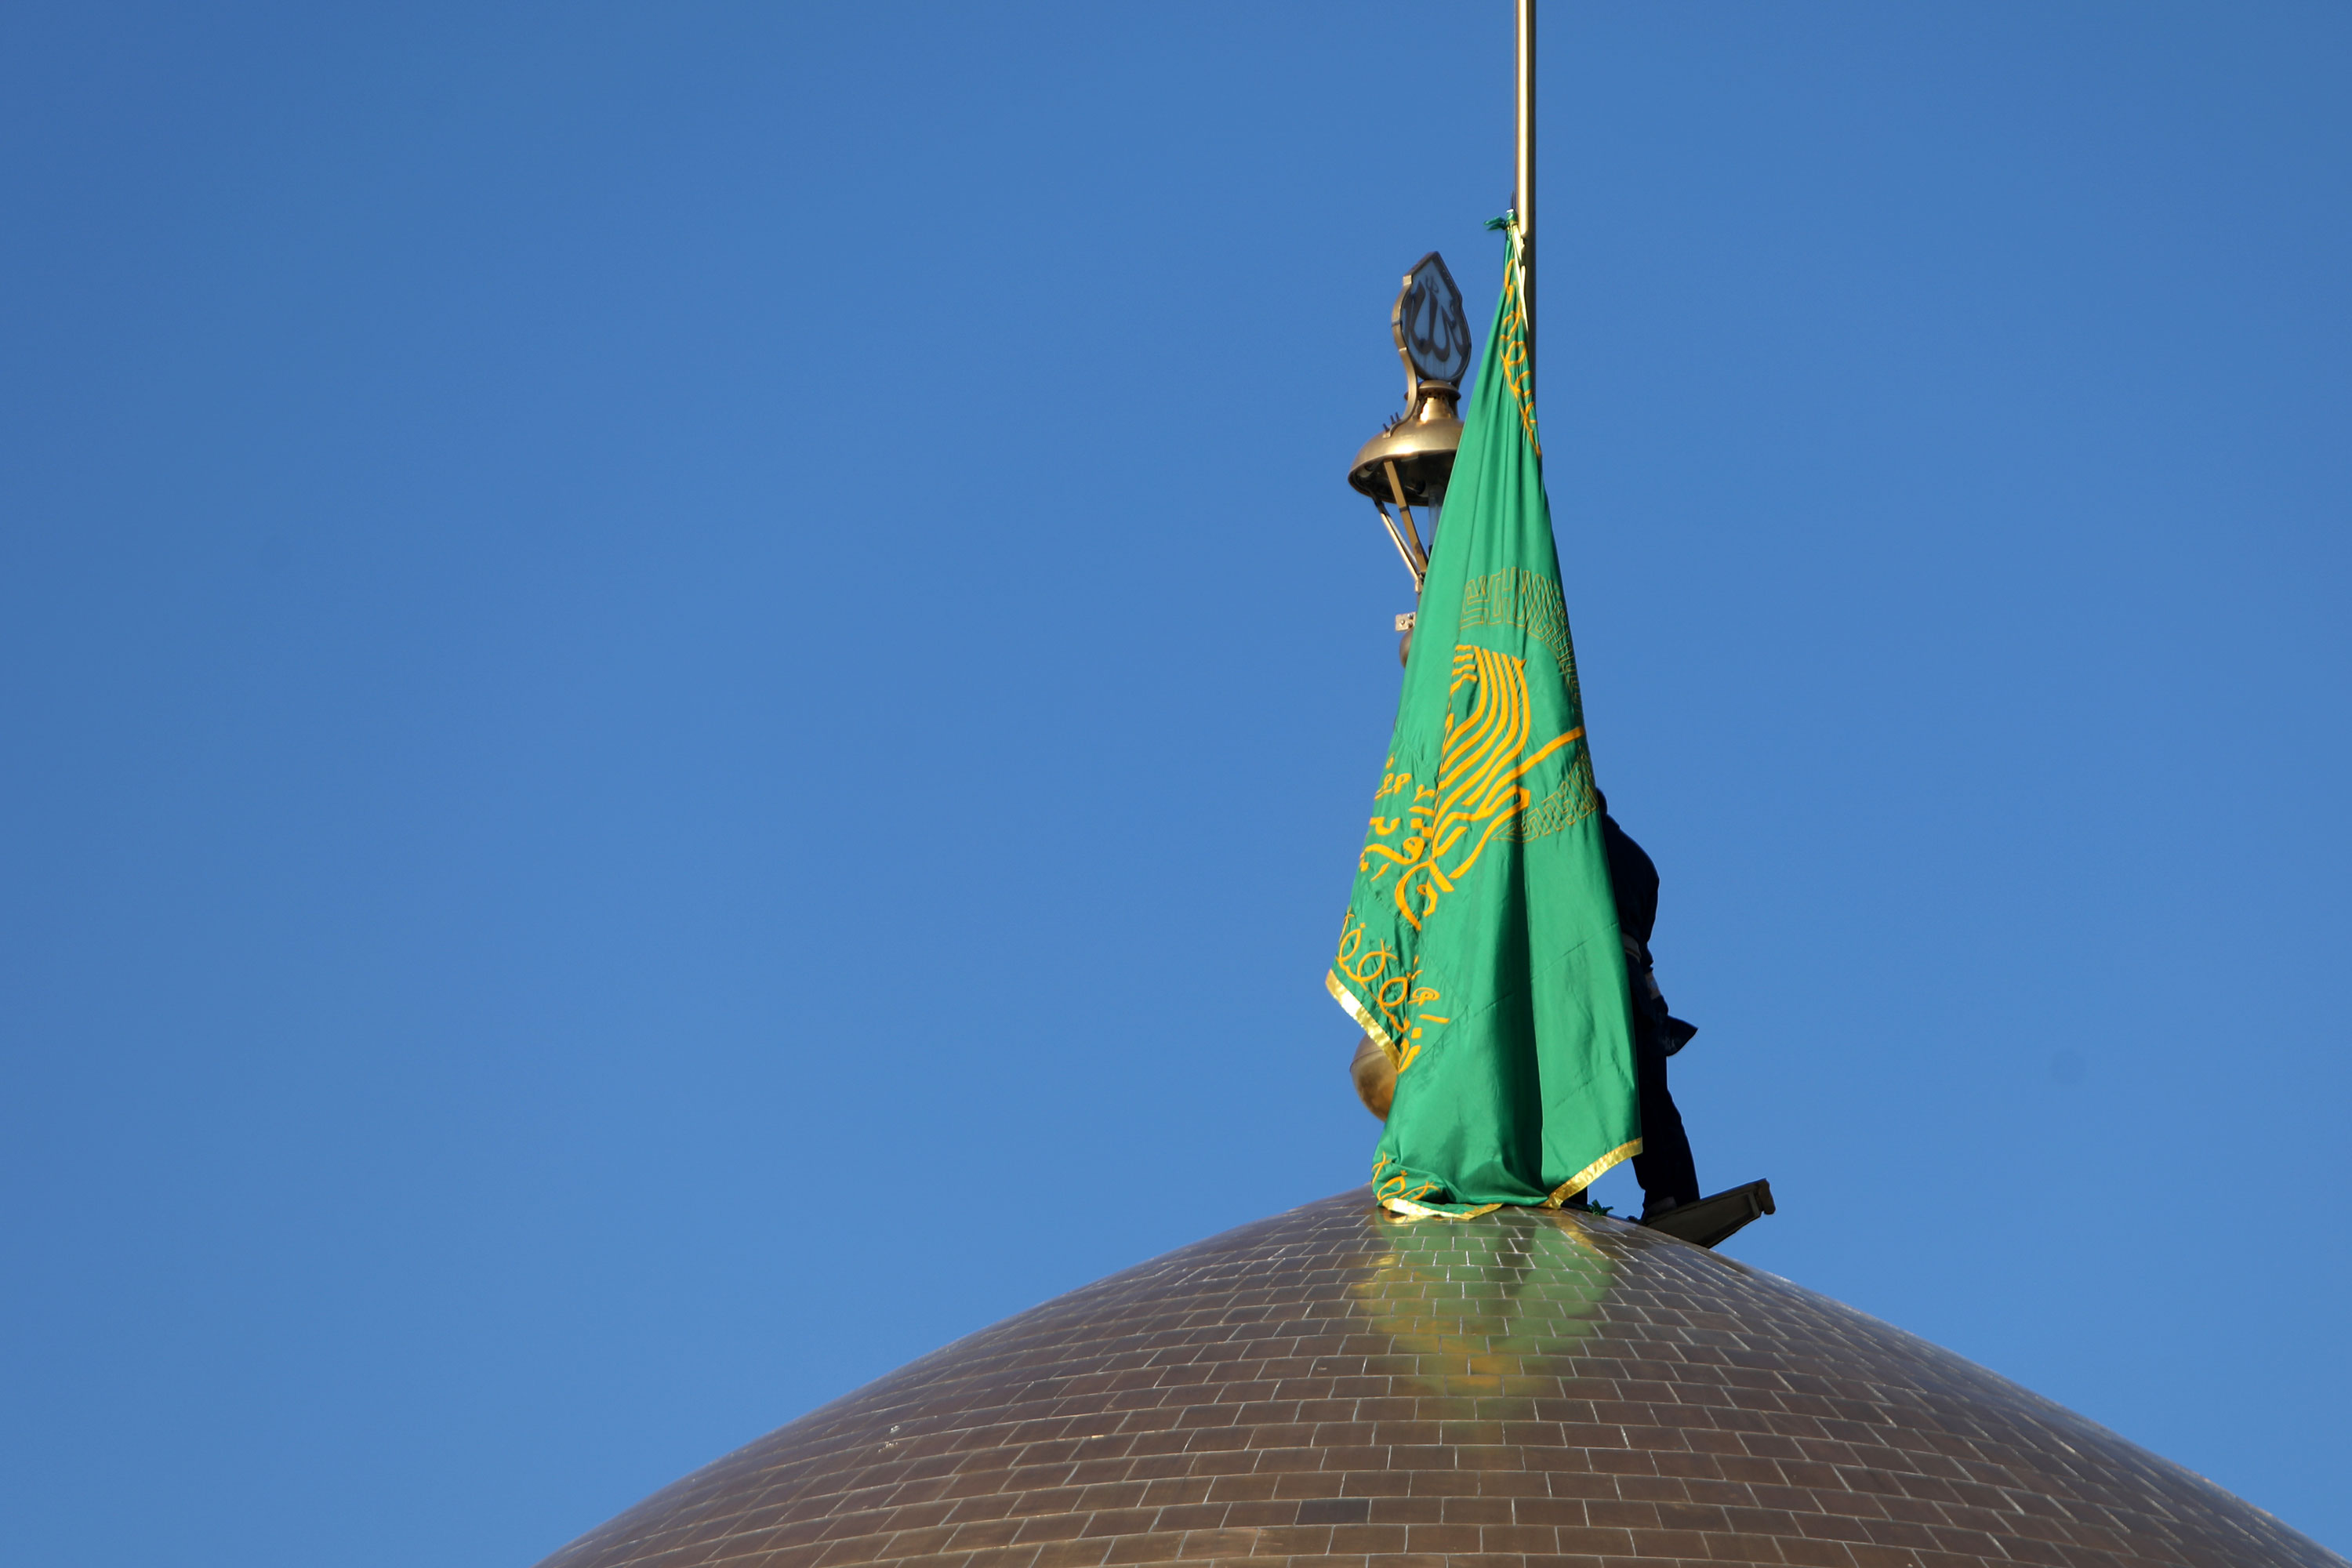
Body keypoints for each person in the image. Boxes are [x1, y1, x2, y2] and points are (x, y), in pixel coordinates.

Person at [1595, 789, 1704, 1222]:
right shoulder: (1640, 861)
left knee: (1568, 1090)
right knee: (1652, 1098)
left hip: (1581, 986)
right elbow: (1642, 945)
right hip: (1636, 993)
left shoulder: (1566, 848)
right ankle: (1676, 1197)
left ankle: (1567, 1197)